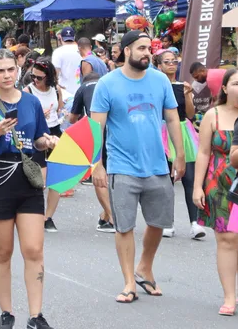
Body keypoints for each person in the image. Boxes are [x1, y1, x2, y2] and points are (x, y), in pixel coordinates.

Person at [91, 31, 185, 303]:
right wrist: (97, 164)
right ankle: (129, 281)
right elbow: (96, 127)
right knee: (124, 226)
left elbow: (172, 118)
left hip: (157, 164)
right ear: (126, 50)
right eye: (141, 48)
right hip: (121, 166)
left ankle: (144, 266)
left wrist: (179, 155)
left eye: (149, 48)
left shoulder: (160, 81)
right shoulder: (107, 84)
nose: (147, 53)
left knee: (158, 223)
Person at [0, 49, 59, 329]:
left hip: (28, 177)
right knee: (2, 252)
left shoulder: (31, 102)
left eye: (11, 69)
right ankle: (6, 313)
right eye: (1, 71)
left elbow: (38, 139)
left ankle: (36, 315)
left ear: (18, 71)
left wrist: (47, 142)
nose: (7, 75)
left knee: (33, 249)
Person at [193, 67, 238, 316]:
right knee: (227, 239)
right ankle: (229, 296)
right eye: (236, 84)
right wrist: (197, 186)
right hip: (219, 182)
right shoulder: (212, 115)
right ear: (225, 88)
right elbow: (204, 152)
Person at [154, 49, 203, 240]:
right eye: (167, 62)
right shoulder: (156, 86)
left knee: (189, 177)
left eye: (174, 61)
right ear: (159, 66)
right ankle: (168, 222)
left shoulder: (183, 86)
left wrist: (189, 94)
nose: (171, 64)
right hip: (162, 132)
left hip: (183, 131)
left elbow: (190, 114)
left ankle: (195, 223)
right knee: (165, 181)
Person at [68, 54, 113, 232]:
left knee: (98, 173)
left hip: (96, 133)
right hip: (117, 133)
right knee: (115, 174)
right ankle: (106, 214)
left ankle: (111, 217)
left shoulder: (83, 88)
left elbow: (73, 118)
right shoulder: (110, 83)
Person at [24, 58, 64, 232]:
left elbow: (60, 108)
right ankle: (36, 214)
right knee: (40, 179)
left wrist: (55, 114)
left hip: (55, 133)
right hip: (38, 135)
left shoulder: (56, 90)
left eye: (39, 78)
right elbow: (22, 117)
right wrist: (39, 116)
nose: (35, 81)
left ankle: (48, 217)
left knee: (57, 180)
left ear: (49, 77)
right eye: (33, 76)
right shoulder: (28, 91)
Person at [50, 27, 82, 101]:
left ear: (61, 38)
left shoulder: (58, 52)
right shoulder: (82, 50)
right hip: (82, 91)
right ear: (74, 37)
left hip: (65, 94)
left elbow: (55, 74)